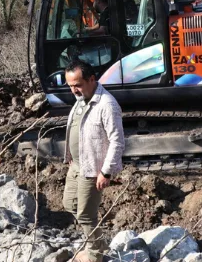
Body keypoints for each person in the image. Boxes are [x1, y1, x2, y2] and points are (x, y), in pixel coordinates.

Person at [62, 59, 125, 262]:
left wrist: (106, 171)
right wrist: (70, 157)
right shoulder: (81, 100)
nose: (74, 90)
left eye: (77, 85)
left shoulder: (107, 104)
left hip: (92, 169)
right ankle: (98, 243)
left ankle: (95, 255)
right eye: (70, 86)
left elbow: (117, 140)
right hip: (77, 165)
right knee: (69, 203)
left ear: (91, 79)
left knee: (86, 215)